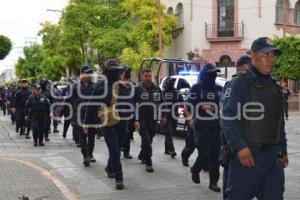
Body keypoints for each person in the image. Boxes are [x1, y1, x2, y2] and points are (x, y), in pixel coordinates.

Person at [221, 37, 288, 200]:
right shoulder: (239, 84)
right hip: (247, 157)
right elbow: (227, 117)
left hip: (272, 158)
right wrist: (239, 147)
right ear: (253, 56)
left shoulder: (276, 88)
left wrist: (283, 150)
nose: (270, 60)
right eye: (266, 55)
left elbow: (278, 122)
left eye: (273, 55)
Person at [185, 63, 223, 192]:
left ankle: (213, 182)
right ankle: (195, 169)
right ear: (205, 75)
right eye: (211, 73)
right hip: (201, 125)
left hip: (216, 125)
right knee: (205, 153)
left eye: (215, 73)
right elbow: (188, 105)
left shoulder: (219, 89)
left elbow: (224, 105)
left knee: (215, 155)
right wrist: (199, 108)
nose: (213, 75)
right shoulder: (196, 88)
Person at [220, 54, 252, 200]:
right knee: (231, 183)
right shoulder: (234, 83)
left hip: (248, 141)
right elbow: (227, 115)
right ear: (245, 66)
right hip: (234, 143)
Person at [100, 59, 128, 190]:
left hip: (123, 122)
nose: (116, 73)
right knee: (115, 151)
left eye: (117, 70)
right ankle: (119, 178)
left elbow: (131, 103)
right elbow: (92, 105)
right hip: (109, 123)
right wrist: (87, 124)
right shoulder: (100, 86)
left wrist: (135, 120)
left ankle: (109, 167)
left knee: (118, 148)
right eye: (113, 71)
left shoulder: (124, 85)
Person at [134, 68, 166, 173]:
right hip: (142, 118)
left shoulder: (157, 89)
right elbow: (133, 105)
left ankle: (142, 155)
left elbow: (162, 103)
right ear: (142, 77)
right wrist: (135, 120)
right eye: (146, 76)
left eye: (149, 76)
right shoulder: (137, 89)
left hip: (153, 118)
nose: (148, 78)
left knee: (150, 138)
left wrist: (163, 116)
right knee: (147, 140)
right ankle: (149, 162)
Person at [161, 77, 183, 158]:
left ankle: (167, 149)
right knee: (169, 133)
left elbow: (182, 103)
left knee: (171, 133)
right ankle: (172, 150)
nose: (171, 83)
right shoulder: (162, 93)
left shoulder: (177, 92)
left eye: (173, 82)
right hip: (165, 116)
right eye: (170, 82)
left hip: (174, 116)